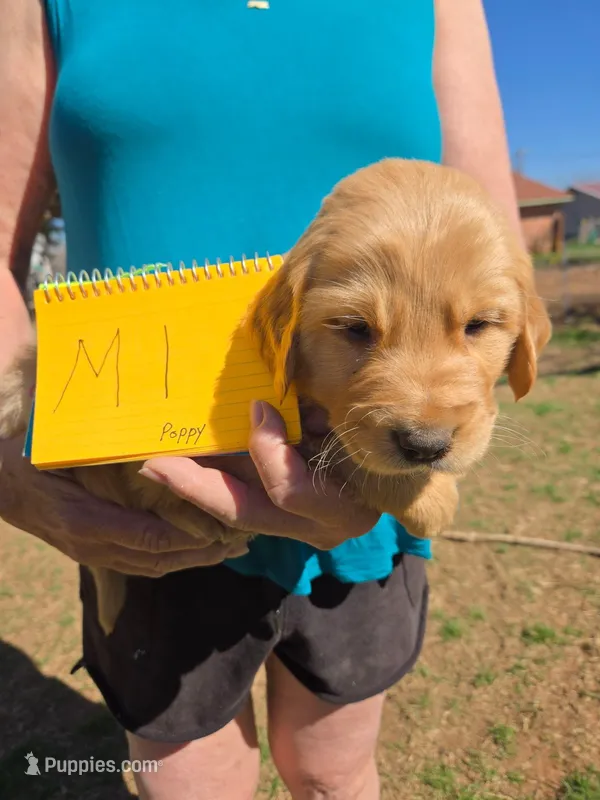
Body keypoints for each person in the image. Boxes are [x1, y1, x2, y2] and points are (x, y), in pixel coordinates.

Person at [0, 1, 523, 798]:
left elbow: (498, 255)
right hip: (140, 495)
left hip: (365, 492)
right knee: (187, 785)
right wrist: (8, 454)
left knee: (333, 773)